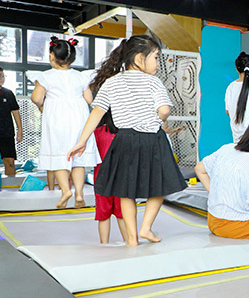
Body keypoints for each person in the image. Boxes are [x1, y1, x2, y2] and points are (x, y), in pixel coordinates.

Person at [68, 35, 186, 246]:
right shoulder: (153, 82)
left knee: (125, 191)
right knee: (159, 187)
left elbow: (96, 113)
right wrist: (160, 117)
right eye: (156, 58)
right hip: (151, 140)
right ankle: (146, 227)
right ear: (140, 58)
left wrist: (81, 141)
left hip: (124, 141)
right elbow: (164, 110)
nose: (158, 64)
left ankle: (132, 238)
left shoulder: (112, 82)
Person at [31, 37, 100, 208]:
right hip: (79, 118)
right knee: (77, 157)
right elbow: (89, 100)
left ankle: (65, 191)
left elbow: (36, 98)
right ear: (73, 59)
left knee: (58, 155)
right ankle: (79, 193)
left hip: (56, 118)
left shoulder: (46, 76)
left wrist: (42, 106)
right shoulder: (81, 77)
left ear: (51, 56)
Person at [91, 110, 127, 244]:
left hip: (101, 177)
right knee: (122, 213)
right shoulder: (125, 133)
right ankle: (129, 241)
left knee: (103, 214)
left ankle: (104, 244)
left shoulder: (97, 132)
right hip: (121, 177)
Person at [0, 67, 22, 176]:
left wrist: (20, 130)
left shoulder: (8, 93)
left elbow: (15, 112)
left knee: (9, 162)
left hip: (6, 133)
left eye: (3, 76)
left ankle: (11, 186)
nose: (1, 78)